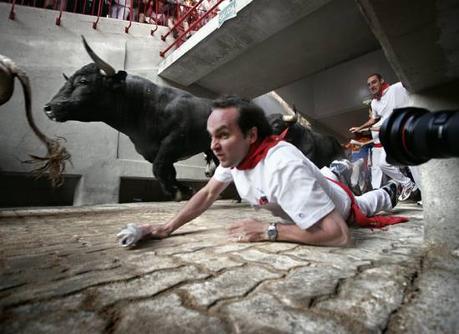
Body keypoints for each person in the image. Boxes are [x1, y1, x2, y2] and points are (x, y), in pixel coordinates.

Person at [117, 96, 406, 248]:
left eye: (223, 135)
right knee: (327, 174)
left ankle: (388, 190)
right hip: (315, 181)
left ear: (251, 135)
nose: (213, 146)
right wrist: (165, 227)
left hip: (340, 204)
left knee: (367, 203)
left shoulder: (281, 165)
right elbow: (207, 194)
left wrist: (270, 231)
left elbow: (338, 235)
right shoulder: (235, 156)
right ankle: (335, 170)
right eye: (211, 136)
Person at [349, 73, 419, 200]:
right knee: (383, 164)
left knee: (413, 165)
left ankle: (421, 194)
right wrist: (359, 128)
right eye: (369, 85)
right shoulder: (374, 103)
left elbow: (413, 86)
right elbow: (373, 120)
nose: (371, 86)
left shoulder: (396, 88)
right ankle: (409, 185)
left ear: (382, 81)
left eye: (374, 82)